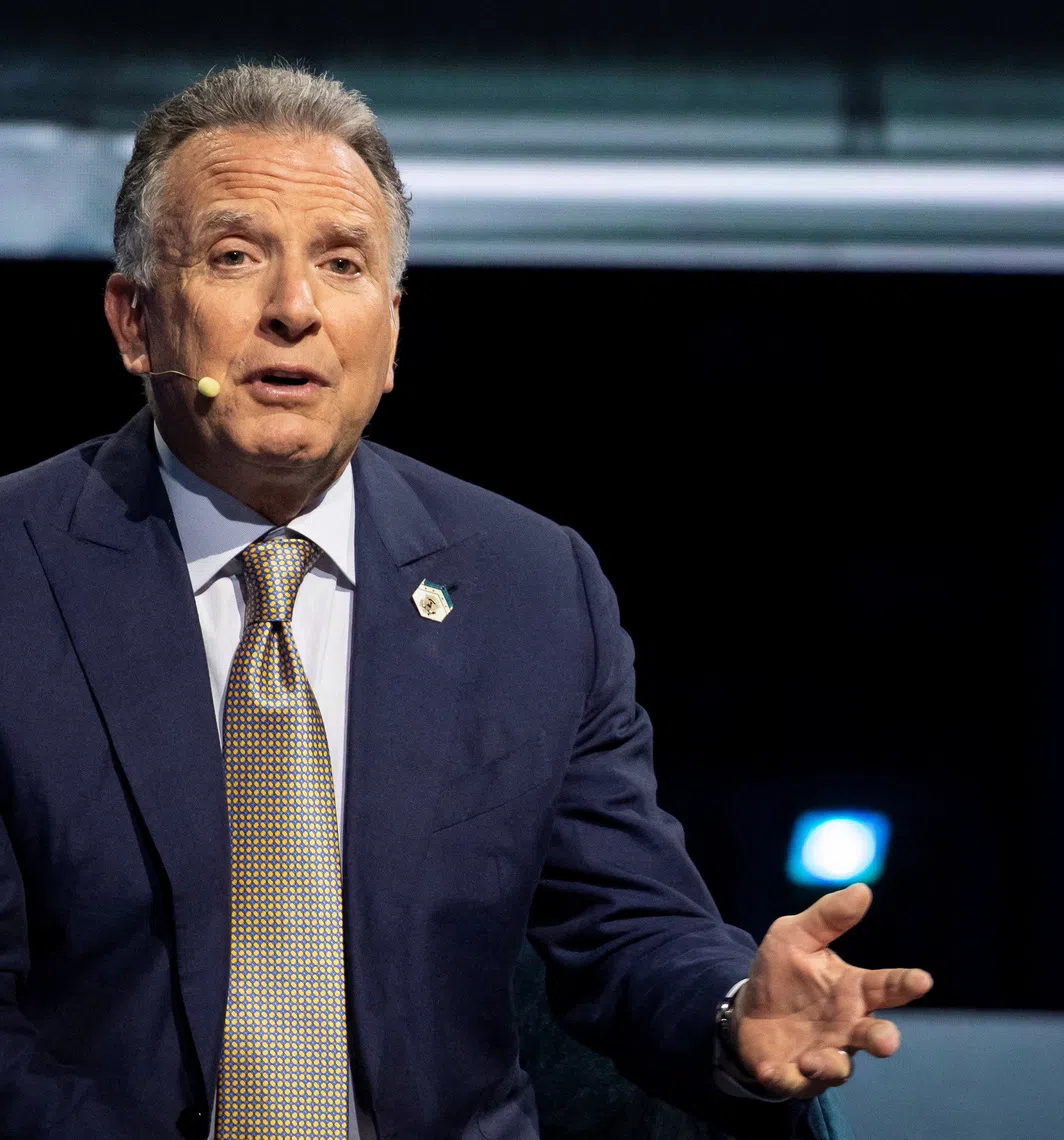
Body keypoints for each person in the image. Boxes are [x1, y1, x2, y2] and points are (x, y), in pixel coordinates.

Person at [0, 64, 931, 1140]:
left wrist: (735, 1012)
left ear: (387, 336)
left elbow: (624, 923)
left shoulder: (531, 588)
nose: (294, 309)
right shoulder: (18, 575)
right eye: (235, 257)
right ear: (136, 322)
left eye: (342, 264)